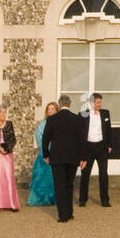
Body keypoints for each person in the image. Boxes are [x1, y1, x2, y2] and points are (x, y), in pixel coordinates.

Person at [42, 93, 86, 223]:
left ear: (59, 104)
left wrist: (46, 155)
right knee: (69, 184)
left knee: (59, 186)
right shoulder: (77, 119)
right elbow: (82, 140)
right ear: (70, 104)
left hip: (57, 157)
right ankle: (70, 212)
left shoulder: (52, 119)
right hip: (73, 157)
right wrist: (83, 158)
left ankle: (63, 215)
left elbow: (45, 138)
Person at [78, 93, 113, 208]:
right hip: (88, 148)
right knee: (85, 174)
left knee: (103, 174)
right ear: (92, 103)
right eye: (98, 102)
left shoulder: (105, 113)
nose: (100, 104)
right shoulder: (83, 114)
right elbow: (79, 133)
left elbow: (109, 130)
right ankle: (82, 199)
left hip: (102, 147)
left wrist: (109, 145)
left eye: (100, 102)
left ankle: (105, 200)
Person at [27, 102, 58, 207]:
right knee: (41, 177)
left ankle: (54, 198)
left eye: (52, 109)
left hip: (56, 154)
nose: (50, 111)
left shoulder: (59, 123)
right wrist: (45, 149)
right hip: (44, 155)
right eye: (48, 109)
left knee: (55, 178)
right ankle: (41, 199)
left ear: (56, 110)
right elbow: (38, 135)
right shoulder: (43, 123)